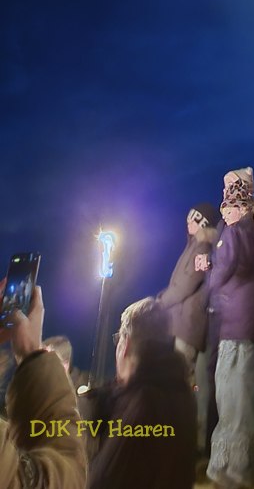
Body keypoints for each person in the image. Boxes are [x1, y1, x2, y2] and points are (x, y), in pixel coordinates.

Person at [82, 296, 197, 489]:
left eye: (117, 339)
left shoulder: (143, 403)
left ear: (125, 345)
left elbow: (102, 482)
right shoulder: (181, 393)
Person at [207, 179, 254, 488]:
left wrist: (210, 275)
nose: (224, 213)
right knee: (252, 400)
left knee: (234, 399)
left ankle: (237, 471)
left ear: (241, 206)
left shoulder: (236, 233)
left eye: (228, 206)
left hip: (238, 322)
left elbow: (221, 273)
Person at [0, 282, 87, 489]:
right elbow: (65, 475)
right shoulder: (58, 394)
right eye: (46, 353)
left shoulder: (82, 399)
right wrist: (31, 352)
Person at [157, 202, 220, 381]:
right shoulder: (193, 245)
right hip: (182, 321)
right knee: (176, 374)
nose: (188, 223)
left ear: (203, 223)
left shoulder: (202, 247)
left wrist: (161, 301)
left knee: (178, 376)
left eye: (193, 220)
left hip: (189, 322)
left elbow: (186, 284)